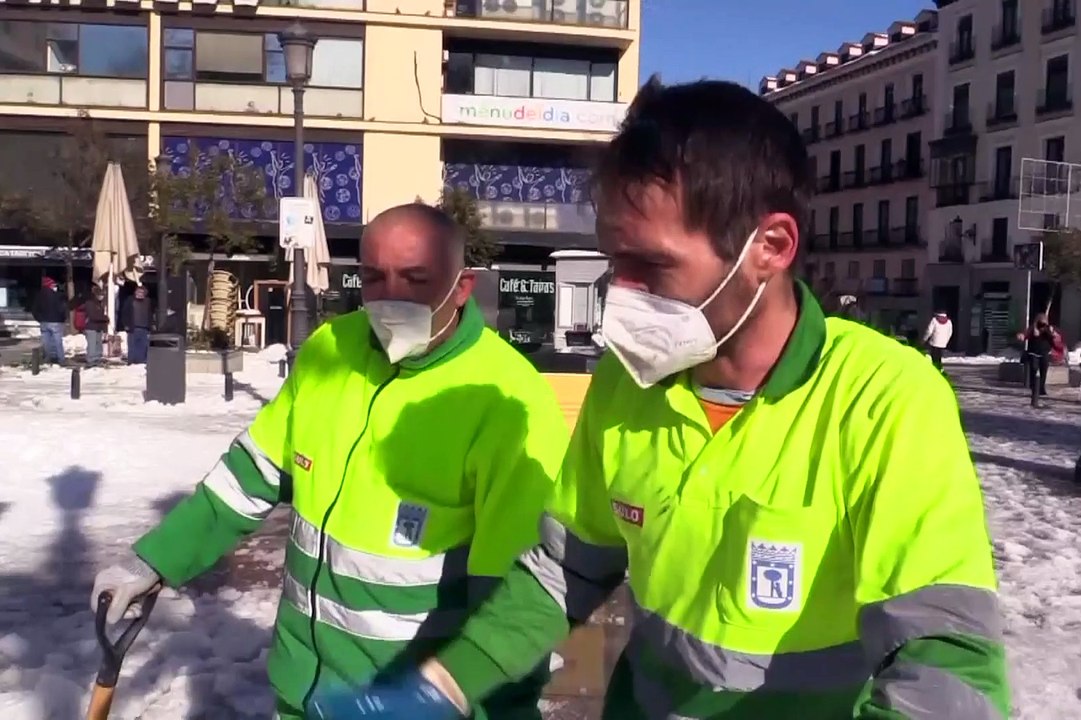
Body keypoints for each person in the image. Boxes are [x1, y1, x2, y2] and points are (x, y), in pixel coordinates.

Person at [307, 79, 1010, 720]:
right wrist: (442, 686)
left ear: (770, 245)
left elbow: (945, 663)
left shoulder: (885, 401)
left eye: (653, 265)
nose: (625, 292)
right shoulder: (626, 382)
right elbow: (562, 572)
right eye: (618, 262)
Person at [90, 204, 571, 720]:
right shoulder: (329, 351)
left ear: (462, 287)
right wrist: (158, 560)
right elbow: (249, 476)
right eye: (373, 277)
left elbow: (521, 595)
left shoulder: (509, 401)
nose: (392, 297)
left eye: (416, 279)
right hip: (303, 689)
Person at [1018, 314, 1056, 397]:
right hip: (1033, 353)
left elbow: (1054, 340)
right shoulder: (1033, 328)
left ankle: (1041, 389)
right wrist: (1022, 336)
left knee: (1043, 371)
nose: (1042, 325)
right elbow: (1026, 334)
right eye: (1040, 323)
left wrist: (1052, 333)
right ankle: (1034, 387)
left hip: (1044, 353)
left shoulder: (1048, 329)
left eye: (1044, 323)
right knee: (1034, 370)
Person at [31, 276, 67, 365]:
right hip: (56, 321)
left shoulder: (38, 296)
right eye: (53, 285)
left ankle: (47, 358)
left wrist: (39, 319)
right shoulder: (57, 296)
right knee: (57, 341)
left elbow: (34, 309)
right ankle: (60, 359)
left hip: (44, 321)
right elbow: (62, 309)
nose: (54, 286)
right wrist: (63, 318)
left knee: (46, 341)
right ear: (49, 285)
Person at [82, 285, 110, 365]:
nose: (102, 296)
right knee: (92, 344)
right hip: (91, 327)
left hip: (98, 327)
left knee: (98, 344)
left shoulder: (100, 304)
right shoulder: (90, 303)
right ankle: (91, 360)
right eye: (100, 295)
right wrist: (105, 318)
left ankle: (97, 358)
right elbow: (93, 316)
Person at [125, 285, 153, 364]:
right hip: (133, 328)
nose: (140, 294)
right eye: (138, 292)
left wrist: (151, 325)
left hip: (144, 328)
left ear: (145, 293)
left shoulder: (148, 301)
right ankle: (132, 362)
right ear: (135, 292)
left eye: (142, 292)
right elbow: (125, 313)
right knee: (132, 346)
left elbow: (150, 314)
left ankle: (142, 361)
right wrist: (126, 324)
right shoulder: (130, 300)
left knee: (143, 346)